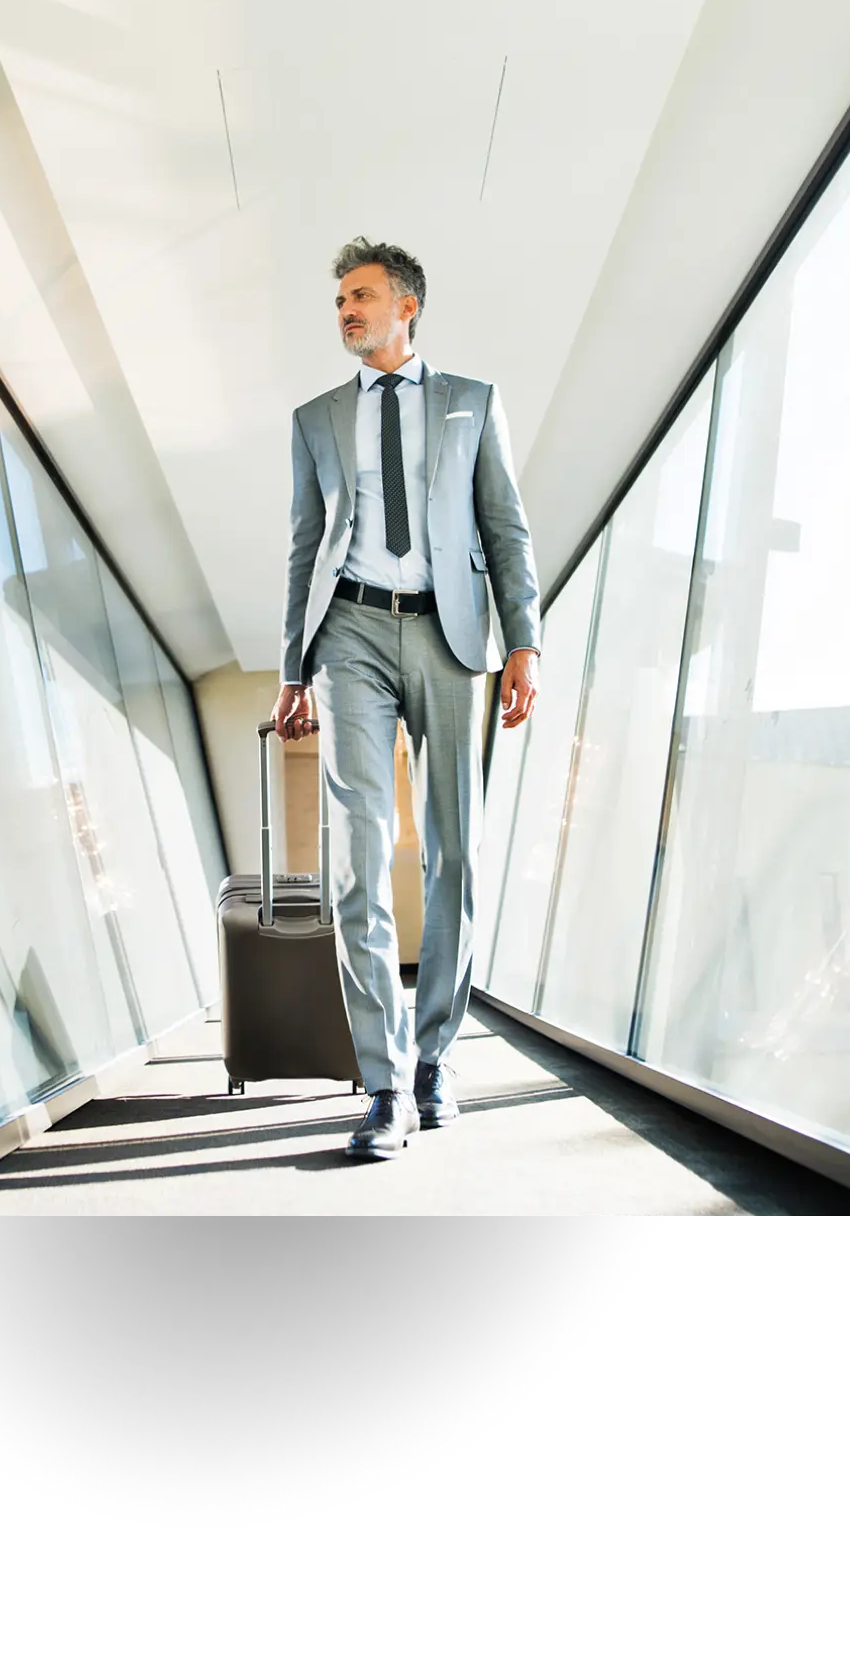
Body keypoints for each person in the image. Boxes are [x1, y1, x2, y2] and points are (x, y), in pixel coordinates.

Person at [272, 237, 542, 1160]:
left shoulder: (473, 402)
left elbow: (504, 526)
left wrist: (524, 642)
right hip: (347, 631)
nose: (346, 311)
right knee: (359, 854)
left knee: (454, 849)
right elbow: (305, 545)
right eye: (339, 300)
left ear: (407, 306)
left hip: (450, 635)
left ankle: (435, 1059)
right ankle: (383, 1082)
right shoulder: (315, 418)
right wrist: (294, 668)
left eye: (361, 296)